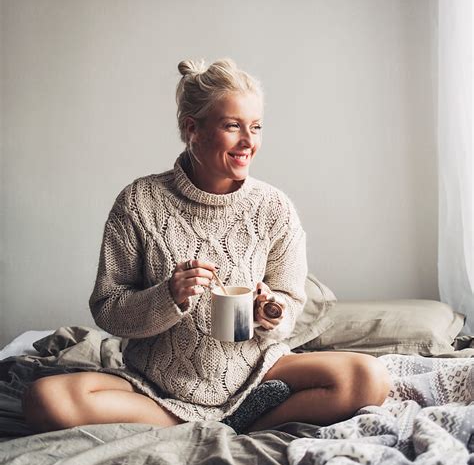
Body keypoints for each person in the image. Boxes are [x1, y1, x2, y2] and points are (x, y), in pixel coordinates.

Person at [22, 58, 391, 435]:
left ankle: (245, 418)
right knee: (44, 400)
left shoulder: (273, 207)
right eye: (233, 126)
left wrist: (272, 310)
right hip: (155, 386)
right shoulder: (139, 201)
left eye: (256, 127)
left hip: (256, 372)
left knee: (369, 378)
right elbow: (108, 308)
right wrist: (169, 296)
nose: (249, 141)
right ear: (192, 129)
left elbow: (290, 299)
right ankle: (206, 422)